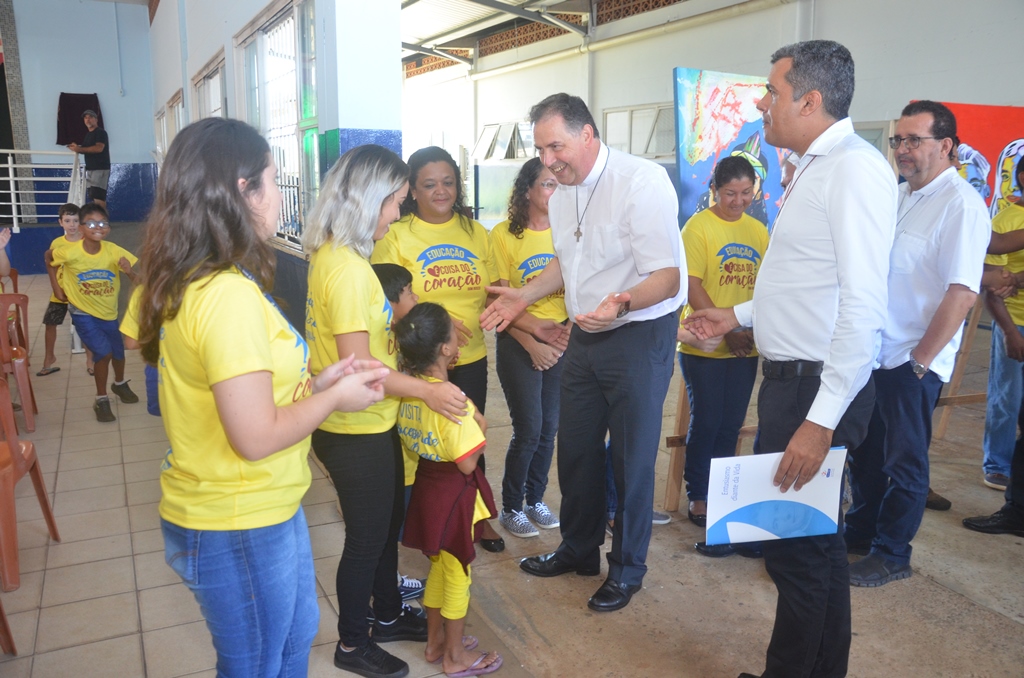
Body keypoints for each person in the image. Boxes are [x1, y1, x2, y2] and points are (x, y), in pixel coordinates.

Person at [132, 117, 389, 677]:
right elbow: (253, 435)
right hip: (237, 519)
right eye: (272, 179)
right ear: (241, 191)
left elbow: (246, 393)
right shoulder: (226, 295)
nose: (279, 194)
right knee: (256, 664)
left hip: (264, 504)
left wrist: (317, 384)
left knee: (293, 638)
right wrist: (333, 400)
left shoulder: (210, 277)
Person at [685, 40, 896, 678]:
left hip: (815, 389)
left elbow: (863, 304)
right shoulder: (815, 167)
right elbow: (806, 282)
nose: (762, 104)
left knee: (794, 549)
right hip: (796, 381)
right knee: (813, 547)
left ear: (809, 100)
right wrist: (737, 315)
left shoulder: (852, 170)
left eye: (772, 92)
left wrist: (820, 421)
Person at [481, 93, 686, 613]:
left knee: (631, 457)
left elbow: (667, 276)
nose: (548, 161)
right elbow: (565, 261)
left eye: (556, 147)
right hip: (585, 332)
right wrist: (523, 296)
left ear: (588, 135)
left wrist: (622, 303)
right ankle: (578, 549)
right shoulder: (564, 192)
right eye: (540, 150)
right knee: (575, 449)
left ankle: (628, 569)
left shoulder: (640, 182)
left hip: (639, 332)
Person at [303, 144, 470, 678]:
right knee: (367, 540)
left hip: (371, 423)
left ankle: (389, 614)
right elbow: (361, 368)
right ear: (366, 200)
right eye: (395, 202)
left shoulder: (337, 256)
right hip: (353, 429)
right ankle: (353, 643)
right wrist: (426, 390)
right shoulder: (350, 272)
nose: (397, 214)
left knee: (384, 526)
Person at [844, 100, 989, 587]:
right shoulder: (901, 195)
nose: (902, 149)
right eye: (898, 140)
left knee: (904, 463)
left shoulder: (961, 206)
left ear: (945, 146)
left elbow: (962, 293)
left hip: (912, 361)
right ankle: (860, 532)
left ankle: (892, 553)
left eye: (913, 140)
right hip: (875, 353)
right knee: (867, 456)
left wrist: (920, 361)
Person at [371, 145, 508, 552]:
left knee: (469, 437)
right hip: (418, 362)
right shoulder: (396, 234)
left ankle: (477, 518)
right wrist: (440, 320)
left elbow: (493, 290)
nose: (441, 191)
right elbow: (385, 297)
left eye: (448, 182)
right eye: (429, 184)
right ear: (412, 190)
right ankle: (424, 516)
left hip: (470, 357)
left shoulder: (475, 232)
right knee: (422, 442)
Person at [396, 302, 503, 678]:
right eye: (455, 333)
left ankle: (435, 643)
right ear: (445, 348)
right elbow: (467, 464)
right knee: (458, 575)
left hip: (426, 487)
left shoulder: (410, 393)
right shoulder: (453, 400)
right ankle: (455, 657)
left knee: (439, 568)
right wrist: (481, 427)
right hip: (453, 495)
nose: (460, 337)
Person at [678, 156, 768, 531]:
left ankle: (722, 493)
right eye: (730, 192)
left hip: (745, 344)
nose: (739, 200)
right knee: (708, 421)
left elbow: (766, 287)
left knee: (731, 424)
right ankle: (699, 494)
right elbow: (691, 284)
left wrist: (748, 331)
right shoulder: (697, 228)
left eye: (746, 192)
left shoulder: (758, 231)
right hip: (704, 344)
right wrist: (725, 329)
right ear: (714, 190)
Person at [491, 158, 566, 538]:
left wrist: (563, 339)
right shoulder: (504, 235)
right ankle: (511, 506)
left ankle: (535, 499)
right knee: (529, 429)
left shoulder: (568, 233)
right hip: (518, 339)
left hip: (561, 341)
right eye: (548, 184)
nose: (555, 191)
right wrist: (533, 344)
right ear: (527, 191)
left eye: (559, 184)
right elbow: (500, 302)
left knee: (550, 427)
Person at [50, 203, 139, 422]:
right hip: (82, 312)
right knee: (104, 352)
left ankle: (119, 384)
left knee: (118, 353)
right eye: (91, 223)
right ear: (81, 228)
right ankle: (101, 399)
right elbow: (48, 258)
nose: (98, 227)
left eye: (103, 223)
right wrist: (58, 289)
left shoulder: (113, 250)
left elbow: (139, 281)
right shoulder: (70, 252)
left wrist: (129, 272)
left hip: (108, 312)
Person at [982, 155, 1024, 493]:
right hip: (1016, 322)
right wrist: (1010, 332)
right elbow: (992, 286)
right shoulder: (1006, 221)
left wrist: (1018, 278)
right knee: (1006, 398)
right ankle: (997, 464)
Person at [40, 203, 93, 376]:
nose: (72, 225)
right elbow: (52, 267)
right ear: (60, 222)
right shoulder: (57, 243)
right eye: (67, 221)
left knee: (84, 326)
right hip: (60, 293)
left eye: (75, 221)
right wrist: (57, 289)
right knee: (50, 324)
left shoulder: (86, 241)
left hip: (80, 294)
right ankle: (49, 358)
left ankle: (90, 359)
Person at [68, 110, 111, 210]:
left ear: (96, 119)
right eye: (86, 118)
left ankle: (102, 219)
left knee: (99, 196)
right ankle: (98, 218)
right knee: (94, 196)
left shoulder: (100, 132)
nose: (88, 120)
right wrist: (76, 147)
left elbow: (99, 148)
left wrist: (79, 149)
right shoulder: (88, 135)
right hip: (91, 168)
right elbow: (86, 149)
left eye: (90, 117)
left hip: (100, 168)